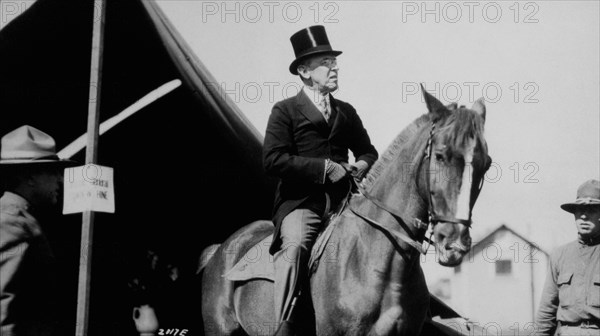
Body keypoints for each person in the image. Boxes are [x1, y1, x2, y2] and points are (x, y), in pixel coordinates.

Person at [263, 25, 378, 334]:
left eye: (334, 61)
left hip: (345, 203)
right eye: (326, 62)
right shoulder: (285, 110)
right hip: (302, 203)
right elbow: (272, 159)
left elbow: (368, 150)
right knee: (297, 246)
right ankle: (283, 325)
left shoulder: (347, 112)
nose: (335, 67)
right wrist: (324, 169)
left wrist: (361, 165)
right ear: (304, 70)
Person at [0, 125, 76, 336]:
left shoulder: (17, 217)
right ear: (29, 177)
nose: (60, 180)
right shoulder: (11, 222)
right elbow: (3, 304)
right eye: (53, 172)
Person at [536, 179, 600, 336]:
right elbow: (547, 311)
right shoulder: (560, 255)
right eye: (579, 210)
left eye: (591, 210)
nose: (583, 216)